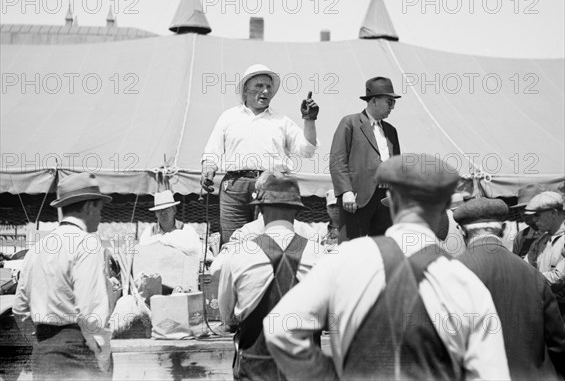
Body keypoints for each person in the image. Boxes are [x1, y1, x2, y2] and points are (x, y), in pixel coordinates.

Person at [264, 154, 510, 380]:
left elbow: (280, 326)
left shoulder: (345, 260)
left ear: (391, 202)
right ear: (445, 204)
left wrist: (327, 376)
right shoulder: (465, 283)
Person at [218, 172, 323, 380]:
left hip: (254, 370)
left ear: (261, 209)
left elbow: (227, 317)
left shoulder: (238, 253)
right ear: (296, 210)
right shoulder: (320, 255)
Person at [201, 64, 319, 243]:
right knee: (233, 243)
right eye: (259, 86)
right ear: (245, 88)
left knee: (269, 241)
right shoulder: (228, 117)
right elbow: (212, 152)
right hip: (234, 188)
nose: (265, 91)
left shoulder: (282, 121)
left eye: (269, 87)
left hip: (272, 187)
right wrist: (207, 169)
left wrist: (309, 120)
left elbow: (307, 151)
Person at [13, 173, 114, 380]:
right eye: (99, 209)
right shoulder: (87, 244)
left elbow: (19, 309)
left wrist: (43, 343)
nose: (100, 216)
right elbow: (91, 312)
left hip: (42, 355)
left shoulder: (36, 249)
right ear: (88, 207)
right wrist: (102, 357)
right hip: (78, 354)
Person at [454, 197, 565, 380]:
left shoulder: (449, 273)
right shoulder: (533, 275)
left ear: (461, 231)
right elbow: (557, 343)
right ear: (504, 229)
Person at [329, 76, 400, 241]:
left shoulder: (391, 130)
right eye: (390, 102)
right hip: (357, 198)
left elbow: (397, 165)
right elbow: (336, 160)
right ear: (374, 101)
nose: (393, 107)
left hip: (385, 199)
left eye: (393, 103)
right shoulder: (350, 123)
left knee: (383, 248)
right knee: (351, 248)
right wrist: (346, 191)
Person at [525, 191, 565, 315]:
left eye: (537, 215)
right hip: (545, 307)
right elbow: (525, 266)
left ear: (554, 213)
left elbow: (559, 278)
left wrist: (528, 279)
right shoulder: (540, 241)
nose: (533, 220)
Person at [511, 183, 545, 257]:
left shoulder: (554, 234)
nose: (523, 213)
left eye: (527, 207)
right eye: (520, 209)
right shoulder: (520, 236)